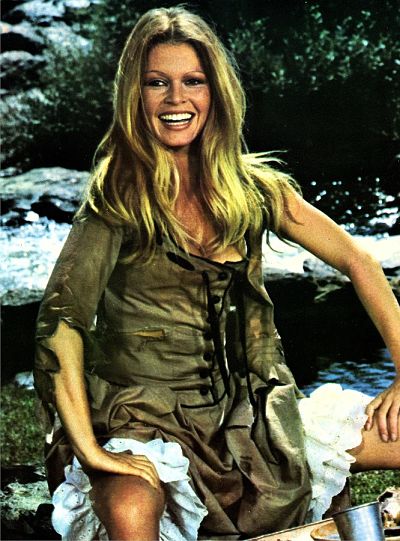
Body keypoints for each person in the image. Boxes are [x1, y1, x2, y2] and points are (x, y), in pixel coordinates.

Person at [34, 6, 400, 541]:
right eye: (156, 82)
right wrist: (89, 449)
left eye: (193, 81)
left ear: (216, 92)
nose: (175, 99)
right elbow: (59, 321)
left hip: (257, 422)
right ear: (135, 95)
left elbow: (357, 260)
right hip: (148, 423)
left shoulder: (254, 189)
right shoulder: (117, 200)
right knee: (131, 510)